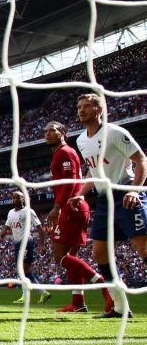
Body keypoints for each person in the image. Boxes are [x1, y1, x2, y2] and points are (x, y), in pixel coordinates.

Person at [70, 93, 147, 319]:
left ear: (99, 110)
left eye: (86, 106)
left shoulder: (115, 132)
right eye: (79, 107)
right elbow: (93, 172)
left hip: (125, 193)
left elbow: (141, 160)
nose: (81, 110)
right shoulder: (81, 140)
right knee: (100, 253)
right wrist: (81, 195)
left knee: (143, 248)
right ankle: (120, 308)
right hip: (104, 199)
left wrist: (134, 189)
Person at [44, 121, 110, 313]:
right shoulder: (60, 153)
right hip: (74, 207)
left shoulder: (65, 152)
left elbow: (70, 182)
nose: (47, 134)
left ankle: (104, 285)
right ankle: (78, 302)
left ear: (62, 132)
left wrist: (57, 207)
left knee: (61, 257)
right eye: (45, 132)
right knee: (71, 257)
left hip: (71, 208)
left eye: (52, 131)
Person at [0, 190, 51, 304]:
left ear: (23, 199)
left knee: (24, 270)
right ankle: (34, 294)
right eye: (14, 198)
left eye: (18, 197)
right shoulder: (11, 212)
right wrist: (0, 236)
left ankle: (39, 293)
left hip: (27, 242)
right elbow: (6, 226)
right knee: (22, 271)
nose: (15, 199)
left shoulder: (28, 211)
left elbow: (40, 228)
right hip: (17, 244)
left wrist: (42, 245)